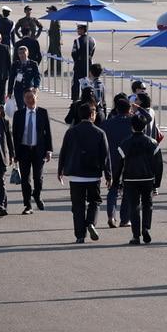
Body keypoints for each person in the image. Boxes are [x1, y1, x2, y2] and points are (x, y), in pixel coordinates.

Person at [57, 101, 111, 244]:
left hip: (75, 174)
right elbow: (105, 156)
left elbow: (64, 152)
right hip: (93, 174)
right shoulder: (100, 133)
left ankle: (80, 235)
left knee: (77, 205)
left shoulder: (71, 132)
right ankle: (91, 222)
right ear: (92, 115)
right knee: (95, 201)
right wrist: (108, 175)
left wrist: (60, 170)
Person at [114, 112, 162, 244]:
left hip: (130, 179)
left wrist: (117, 183)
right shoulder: (152, 143)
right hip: (147, 178)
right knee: (147, 204)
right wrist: (156, 184)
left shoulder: (125, 143)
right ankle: (146, 228)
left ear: (132, 127)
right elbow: (159, 165)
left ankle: (136, 235)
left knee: (134, 206)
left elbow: (119, 165)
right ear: (145, 127)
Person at [13, 90, 54, 214]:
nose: (30, 100)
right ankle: (28, 204)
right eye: (27, 98)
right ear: (24, 99)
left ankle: (37, 194)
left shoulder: (43, 112)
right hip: (24, 150)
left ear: (37, 97)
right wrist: (14, 153)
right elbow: (15, 135)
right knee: (25, 179)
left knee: (38, 177)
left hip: (38, 150)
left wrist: (49, 150)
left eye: (32, 97)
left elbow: (48, 133)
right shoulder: (18, 114)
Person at [101, 96, 136, 229]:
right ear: (129, 109)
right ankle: (125, 219)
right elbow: (147, 119)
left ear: (116, 108)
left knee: (113, 189)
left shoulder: (107, 123)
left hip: (112, 159)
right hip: (128, 159)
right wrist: (138, 109)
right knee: (127, 190)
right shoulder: (132, 121)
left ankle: (111, 215)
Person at [70, 24, 95, 96]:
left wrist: (77, 61)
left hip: (79, 64)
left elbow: (74, 53)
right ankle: (86, 98)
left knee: (76, 83)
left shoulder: (77, 41)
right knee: (86, 83)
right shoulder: (92, 40)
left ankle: (75, 99)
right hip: (89, 64)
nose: (77, 30)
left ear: (83, 30)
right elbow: (92, 52)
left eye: (79, 29)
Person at [45, 7, 62, 78]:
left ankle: (58, 70)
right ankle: (51, 69)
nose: (48, 12)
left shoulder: (56, 20)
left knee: (57, 55)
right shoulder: (52, 20)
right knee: (50, 54)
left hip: (55, 42)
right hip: (52, 41)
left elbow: (58, 32)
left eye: (50, 11)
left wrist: (58, 42)